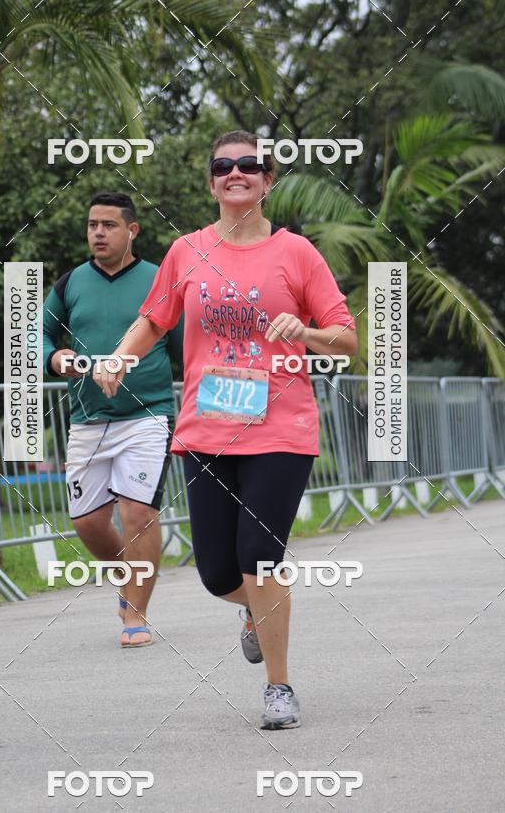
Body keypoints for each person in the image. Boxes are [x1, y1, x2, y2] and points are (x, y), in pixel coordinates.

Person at [93, 132, 357, 726]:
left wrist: (306, 333)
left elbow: (347, 337)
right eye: (223, 166)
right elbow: (153, 319)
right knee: (217, 573)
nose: (235, 173)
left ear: (268, 180)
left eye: (249, 166)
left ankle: (279, 688)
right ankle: (257, 611)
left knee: (260, 557)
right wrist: (117, 358)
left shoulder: (297, 253)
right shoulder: (188, 251)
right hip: (207, 430)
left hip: (280, 431)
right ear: (211, 181)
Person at [43, 192, 182, 647]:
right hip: (86, 419)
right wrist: (55, 355)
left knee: (137, 511)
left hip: (148, 416)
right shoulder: (70, 283)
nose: (98, 232)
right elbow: (33, 332)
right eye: (92, 225)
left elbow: (184, 345)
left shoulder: (158, 279)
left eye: (109, 224)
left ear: (132, 230)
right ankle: (130, 572)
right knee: (86, 522)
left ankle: (136, 616)